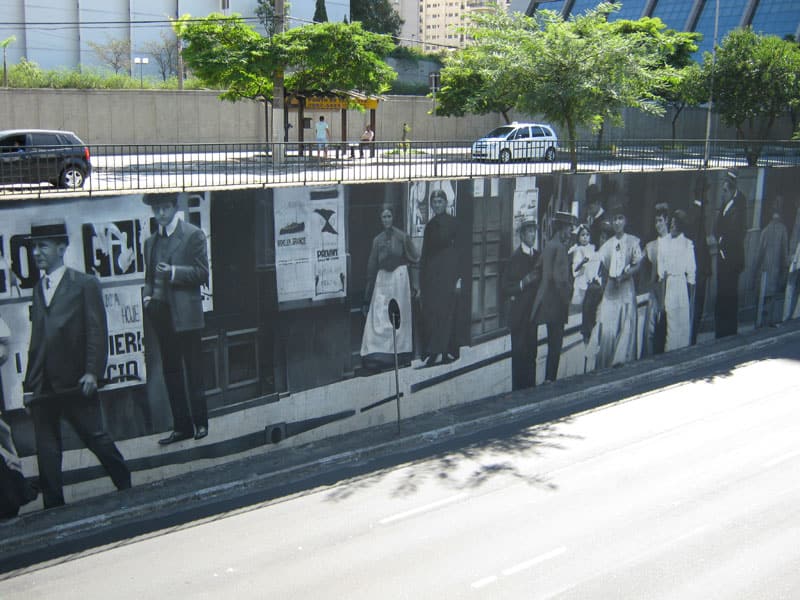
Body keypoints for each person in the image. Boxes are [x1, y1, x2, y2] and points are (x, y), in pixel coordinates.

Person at [22, 220, 131, 509]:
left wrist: (92, 372)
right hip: (44, 386)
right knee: (47, 450)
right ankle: (53, 508)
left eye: (43, 246)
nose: (36, 253)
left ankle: (125, 483)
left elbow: (97, 330)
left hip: (75, 381)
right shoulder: (38, 289)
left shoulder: (84, 284)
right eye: (34, 247)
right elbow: (37, 340)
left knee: (95, 437)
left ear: (62, 248)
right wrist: (29, 386)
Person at [142, 195, 210, 445]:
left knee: (193, 370)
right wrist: (147, 298)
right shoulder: (150, 242)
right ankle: (182, 427)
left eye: (165, 208)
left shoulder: (193, 235)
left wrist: (173, 272)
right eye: (156, 209)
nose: (160, 213)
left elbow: (202, 273)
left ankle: (200, 423)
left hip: (186, 316)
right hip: (161, 314)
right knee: (171, 372)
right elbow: (148, 277)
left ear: (175, 207)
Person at [361, 207, 419, 369]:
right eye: (384, 217)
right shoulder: (377, 240)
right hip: (383, 280)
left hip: (399, 280)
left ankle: (401, 354)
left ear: (393, 217)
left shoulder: (402, 237)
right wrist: (368, 291)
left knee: (399, 315)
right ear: (380, 219)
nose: (386, 219)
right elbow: (372, 264)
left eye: (389, 216)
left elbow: (414, 257)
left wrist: (414, 283)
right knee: (380, 315)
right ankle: (378, 355)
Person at [596, 205, 643, 369]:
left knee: (626, 324)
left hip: (626, 287)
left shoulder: (633, 241)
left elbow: (638, 264)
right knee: (608, 329)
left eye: (620, 218)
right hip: (611, 288)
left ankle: (623, 362)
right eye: (615, 219)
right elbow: (601, 265)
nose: (617, 222)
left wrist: (626, 274)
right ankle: (606, 364)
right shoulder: (607, 245)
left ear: (625, 221)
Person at [530, 211, 574, 383]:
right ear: (562, 228)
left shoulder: (549, 245)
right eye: (569, 228)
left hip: (546, 303)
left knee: (551, 343)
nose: (570, 232)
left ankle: (548, 379)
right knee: (556, 346)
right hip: (557, 304)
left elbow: (538, 268)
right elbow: (560, 279)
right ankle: (550, 381)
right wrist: (568, 295)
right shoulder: (560, 248)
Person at [420, 189, 462, 367]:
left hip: (448, 273)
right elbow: (425, 253)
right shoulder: (429, 226)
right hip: (432, 275)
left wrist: (459, 277)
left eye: (440, 202)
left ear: (446, 203)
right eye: (434, 202)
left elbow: (460, 252)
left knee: (447, 313)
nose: (437, 205)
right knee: (433, 313)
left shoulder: (454, 223)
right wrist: (422, 279)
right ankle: (433, 351)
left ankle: (446, 351)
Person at [502, 219, 541, 390]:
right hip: (518, 315)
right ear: (522, 235)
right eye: (529, 232)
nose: (533, 235)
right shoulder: (514, 258)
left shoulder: (538, 256)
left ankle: (531, 390)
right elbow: (505, 288)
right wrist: (522, 283)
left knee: (532, 353)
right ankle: (518, 393)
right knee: (519, 355)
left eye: (534, 231)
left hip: (532, 314)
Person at [714, 171, 746, 338]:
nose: (722, 194)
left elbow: (736, 233)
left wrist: (722, 242)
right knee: (722, 295)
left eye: (725, 191)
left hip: (731, 260)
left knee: (729, 296)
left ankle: (728, 331)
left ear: (732, 189)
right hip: (723, 258)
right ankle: (722, 330)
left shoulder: (739, 204)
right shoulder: (725, 204)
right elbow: (717, 227)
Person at [658, 210, 696, 351]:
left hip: (682, 285)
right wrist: (662, 300)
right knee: (672, 326)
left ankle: (683, 354)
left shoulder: (687, 244)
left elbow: (691, 273)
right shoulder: (664, 243)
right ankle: (670, 354)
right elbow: (662, 273)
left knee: (684, 325)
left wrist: (690, 297)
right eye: (672, 223)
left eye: (675, 224)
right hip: (670, 285)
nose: (672, 226)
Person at [752, 201, 788, 327]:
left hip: (764, 269)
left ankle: (759, 322)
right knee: (772, 296)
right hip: (776, 269)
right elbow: (784, 252)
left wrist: (755, 271)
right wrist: (785, 269)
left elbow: (759, 254)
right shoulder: (783, 230)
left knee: (762, 296)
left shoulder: (765, 231)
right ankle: (769, 321)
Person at [641, 203, 670, 357]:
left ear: (667, 220)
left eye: (660, 220)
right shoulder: (652, 246)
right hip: (655, 289)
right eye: (656, 221)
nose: (658, 224)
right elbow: (639, 261)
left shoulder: (673, 242)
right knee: (650, 330)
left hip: (669, 288)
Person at [687, 178, 711, 345]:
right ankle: (692, 340)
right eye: (706, 192)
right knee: (696, 308)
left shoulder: (697, 212)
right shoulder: (696, 214)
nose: (708, 196)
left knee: (696, 309)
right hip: (697, 271)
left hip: (700, 270)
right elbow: (697, 245)